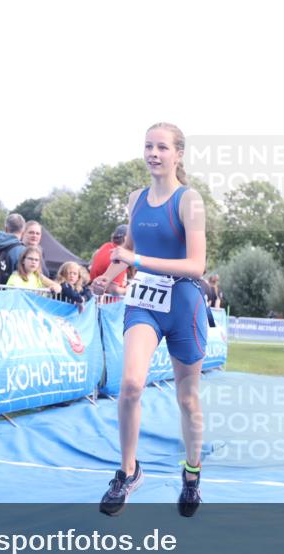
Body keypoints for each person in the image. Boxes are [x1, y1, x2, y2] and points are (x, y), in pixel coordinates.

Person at [90, 122, 208, 518]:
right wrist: (106, 278)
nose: (153, 153)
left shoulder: (189, 201)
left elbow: (197, 264)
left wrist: (137, 261)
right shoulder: (136, 198)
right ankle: (127, 471)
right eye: (148, 146)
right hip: (143, 302)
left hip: (183, 302)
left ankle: (191, 475)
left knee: (188, 399)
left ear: (178, 155)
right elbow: (130, 247)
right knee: (130, 384)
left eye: (162, 147)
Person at [89, 224, 130, 296]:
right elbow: (113, 289)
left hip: (97, 300)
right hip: (111, 304)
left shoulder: (105, 247)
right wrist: (129, 291)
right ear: (126, 238)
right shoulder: (120, 256)